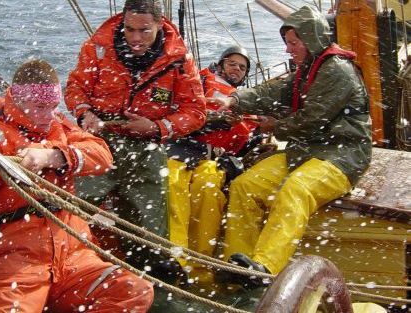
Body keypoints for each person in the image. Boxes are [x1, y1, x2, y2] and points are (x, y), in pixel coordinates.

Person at [0, 59, 154, 312]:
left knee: (134, 290)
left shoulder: (58, 125)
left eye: (53, 106)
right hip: (20, 260)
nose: (48, 116)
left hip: (75, 255)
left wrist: (54, 156)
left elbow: (102, 156)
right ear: (18, 101)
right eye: (40, 107)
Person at [213, 6, 372, 288]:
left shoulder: (337, 71)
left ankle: (265, 268)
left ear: (311, 39)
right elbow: (273, 92)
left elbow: (311, 121)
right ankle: (236, 264)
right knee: (245, 186)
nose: (288, 49)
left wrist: (275, 127)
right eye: (287, 43)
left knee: (295, 189)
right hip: (306, 152)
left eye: (293, 43)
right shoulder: (308, 69)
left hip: (342, 155)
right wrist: (234, 100)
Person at [65, 0, 206, 281]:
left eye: (144, 30)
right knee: (69, 209)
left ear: (159, 24)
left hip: (146, 148)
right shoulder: (98, 47)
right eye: (129, 30)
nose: (136, 38)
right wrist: (84, 114)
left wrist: (156, 127)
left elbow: (196, 111)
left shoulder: (178, 60)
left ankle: (148, 278)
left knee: (150, 231)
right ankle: (68, 267)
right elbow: (75, 87)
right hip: (99, 142)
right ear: (121, 23)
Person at [166, 46, 261, 284]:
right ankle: (175, 262)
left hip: (212, 159)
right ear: (220, 64)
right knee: (174, 186)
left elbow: (247, 138)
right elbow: (179, 110)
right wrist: (213, 121)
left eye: (242, 67)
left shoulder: (246, 100)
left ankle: (200, 271)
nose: (237, 69)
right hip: (180, 149)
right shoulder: (198, 82)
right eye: (232, 64)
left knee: (208, 190)